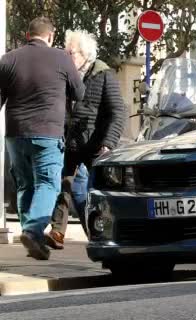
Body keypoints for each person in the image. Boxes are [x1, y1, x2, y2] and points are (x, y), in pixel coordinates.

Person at [0, 17, 85, 260]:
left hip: (15, 134)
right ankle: (32, 230)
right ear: (50, 36)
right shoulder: (61, 58)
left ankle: (34, 239)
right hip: (47, 133)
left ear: (28, 36)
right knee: (48, 184)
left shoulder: (9, 58)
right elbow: (79, 92)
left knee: (26, 184)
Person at [45, 30, 126, 249]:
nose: (65, 55)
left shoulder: (103, 74)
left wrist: (108, 143)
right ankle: (57, 232)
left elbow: (118, 111)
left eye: (70, 52)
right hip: (69, 142)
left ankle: (105, 235)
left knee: (100, 193)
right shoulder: (66, 75)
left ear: (84, 54)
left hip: (95, 145)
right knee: (63, 186)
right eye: (65, 50)